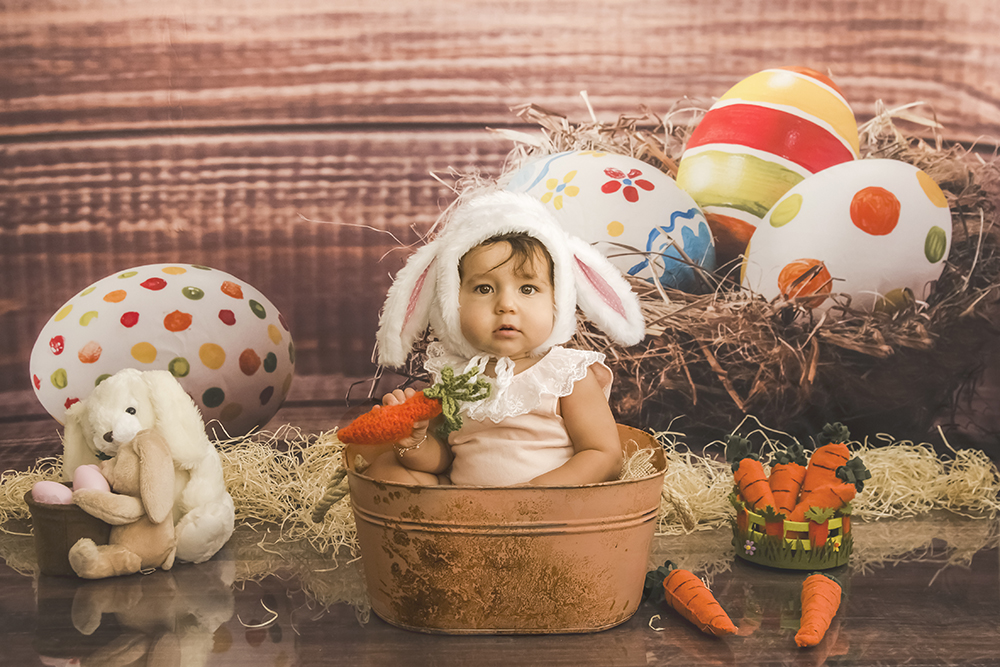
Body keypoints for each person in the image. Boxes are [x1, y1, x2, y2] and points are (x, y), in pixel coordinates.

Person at [364, 190, 646, 486]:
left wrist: (536, 493)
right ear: (450, 303)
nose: (506, 305)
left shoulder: (567, 375)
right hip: (466, 507)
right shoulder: (453, 377)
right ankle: (442, 525)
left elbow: (603, 454)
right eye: (484, 289)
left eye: (527, 289)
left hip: (547, 509)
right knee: (386, 469)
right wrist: (413, 442)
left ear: (557, 301)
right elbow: (444, 458)